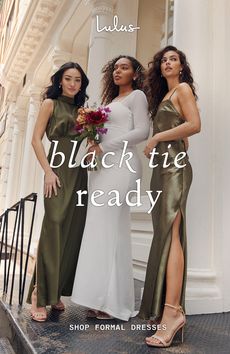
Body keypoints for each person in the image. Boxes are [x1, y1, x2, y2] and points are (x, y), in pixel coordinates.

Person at [71, 55, 150, 321]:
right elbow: (101, 133)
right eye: (115, 67)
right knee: (101, 229)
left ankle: (113, 302)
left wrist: (104, 147)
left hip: (122, 166)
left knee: (112, 227)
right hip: (102, 169)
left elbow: (142, 132)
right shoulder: (110, 102)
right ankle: (99, 297)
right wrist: (92, 146)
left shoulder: (136, 97)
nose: (118, 71)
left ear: (135, 74)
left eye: (124, 68)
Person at [138, 46, 201, 347]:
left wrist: (158, 138)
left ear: (181, 66)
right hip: (163, 169)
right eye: (163, 60)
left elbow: (195, 125)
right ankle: (166, 307)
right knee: (164, 235)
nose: (167, 63)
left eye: (173, 59)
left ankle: (173, 313)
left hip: (174, 171)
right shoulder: (165, 96)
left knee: (172, 235)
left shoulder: (183, 88)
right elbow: (184, 135)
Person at [26, 62, 89, 321]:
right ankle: (39, 294)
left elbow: (92, 139)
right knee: (53, 225)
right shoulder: (49, 104)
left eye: (77, 80)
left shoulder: (84, 111)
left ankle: (57, 293)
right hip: (57, 170)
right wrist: (48, 171)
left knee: (72, 229)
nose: (73, 83)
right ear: (60, 81)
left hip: (79, 172)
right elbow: (35, 139)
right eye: (68, 78)